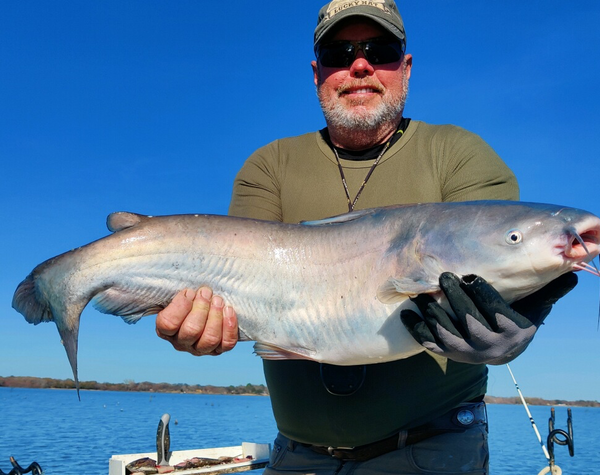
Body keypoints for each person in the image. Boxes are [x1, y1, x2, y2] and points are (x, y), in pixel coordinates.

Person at [156, 1, 576, 473]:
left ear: (406, 67)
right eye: (340, 52)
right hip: (297, 456)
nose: (360, 64)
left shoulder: (459, 155)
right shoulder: (268, 167)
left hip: (435, 449)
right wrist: (203, 325)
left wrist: (517, 323)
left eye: (380, 49)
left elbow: (503, 256)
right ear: (318, 73)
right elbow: (232, 296)